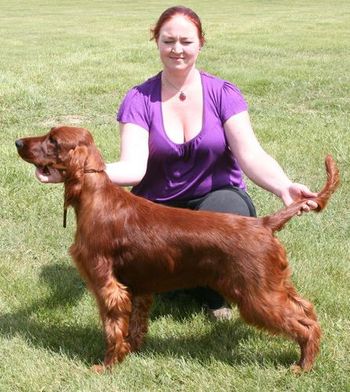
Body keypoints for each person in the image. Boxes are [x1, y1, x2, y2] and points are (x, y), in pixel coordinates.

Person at [36, 6, 318, 320]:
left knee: (229, 212)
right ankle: (176, 280)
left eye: (186, 41)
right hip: (159, 209)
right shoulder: (139, 99)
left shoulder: (222, 94)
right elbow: (133, 167)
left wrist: (283, 186)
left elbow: (250, 154)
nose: (177, 49)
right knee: (149, 236)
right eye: (168, 41)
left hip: (215, 200)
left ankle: (213, 293)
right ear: (156, 42)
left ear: (201, 43)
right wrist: (75, 173)